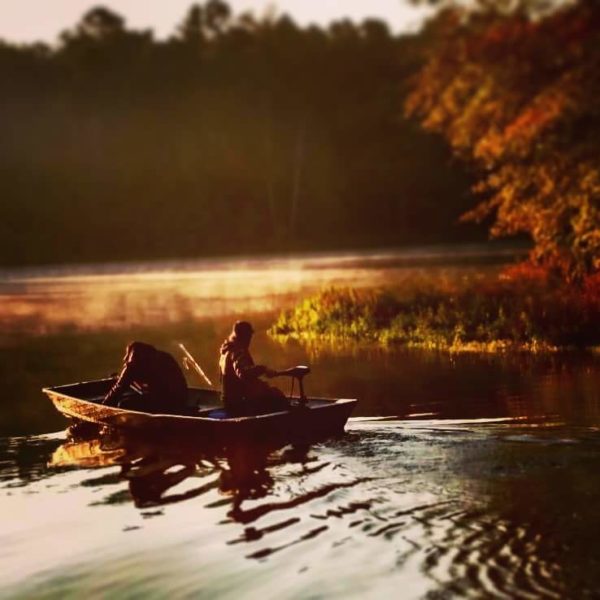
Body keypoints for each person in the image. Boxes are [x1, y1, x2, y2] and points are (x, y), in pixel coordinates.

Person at [219, 321, 289, 416]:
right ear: (244, 336)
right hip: (239, 403)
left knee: (271, 392)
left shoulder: (227, 350)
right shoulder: (237, 351)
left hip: (229, 403)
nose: (250, 340)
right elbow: (243, 373)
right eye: (248, 336)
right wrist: (263, 369)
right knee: (277, 397)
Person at [103, 341, 188, 414]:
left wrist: (102, 408)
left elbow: (117, 390)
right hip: (181, 401)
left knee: (123, 404)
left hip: (164, 404)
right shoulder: (165, 356)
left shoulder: (133, 364)